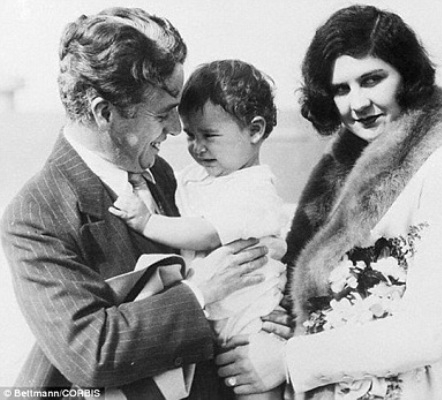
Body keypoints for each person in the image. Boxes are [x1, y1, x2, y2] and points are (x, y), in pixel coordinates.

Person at [0, 7, 284, 400]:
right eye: (165, 114)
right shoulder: (36, 214)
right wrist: (201, 292)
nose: (177, 129)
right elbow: (91, 352)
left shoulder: (160, 172)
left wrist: (270, 321)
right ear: (105, 113)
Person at [216, 5, 442, 400]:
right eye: (341, 89)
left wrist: (288, 359)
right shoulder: (337, 175)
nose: (357, 103)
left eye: (372, 80)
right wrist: (282, 323)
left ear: (406, 76)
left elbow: (429, 333)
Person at [110, 59, 288, 400]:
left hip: (250, 320)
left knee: (256, 385)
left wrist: (147, 222)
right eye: (191, 135)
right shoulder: (195, 177)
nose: (197, 147)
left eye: (209, 136)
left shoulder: (255, 189)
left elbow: (206, 233)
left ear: (255, 131)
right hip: (209, 318)